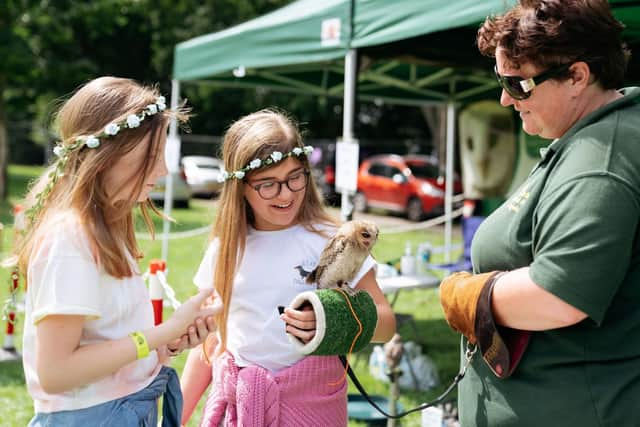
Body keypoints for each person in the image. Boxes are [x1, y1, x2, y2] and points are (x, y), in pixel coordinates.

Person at [438, 1, 640, 426]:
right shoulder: (591, 137)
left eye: (518, 85)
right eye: (501, 80)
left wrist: (468, 297)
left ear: (577, 76)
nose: (505, 99)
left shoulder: (599, 160)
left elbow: (559, 297)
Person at [13, 77, 222, 426]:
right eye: (152, 156)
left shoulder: (104, 230)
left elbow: (106, 343)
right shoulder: (70, 239)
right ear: (109, 156)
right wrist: (162, 332)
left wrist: (165, 345)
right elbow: (56, 371)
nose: (164, 171)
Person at [179, 109, 396, 426]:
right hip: (241, 408)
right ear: (240, 186)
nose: (285, 193)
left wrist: (330, 320)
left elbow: (386, 323)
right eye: (268, 184)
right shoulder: (226, 248)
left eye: (295, 178)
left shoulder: (331, 239)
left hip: (312, 407)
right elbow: (209, 342)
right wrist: (176, 416)